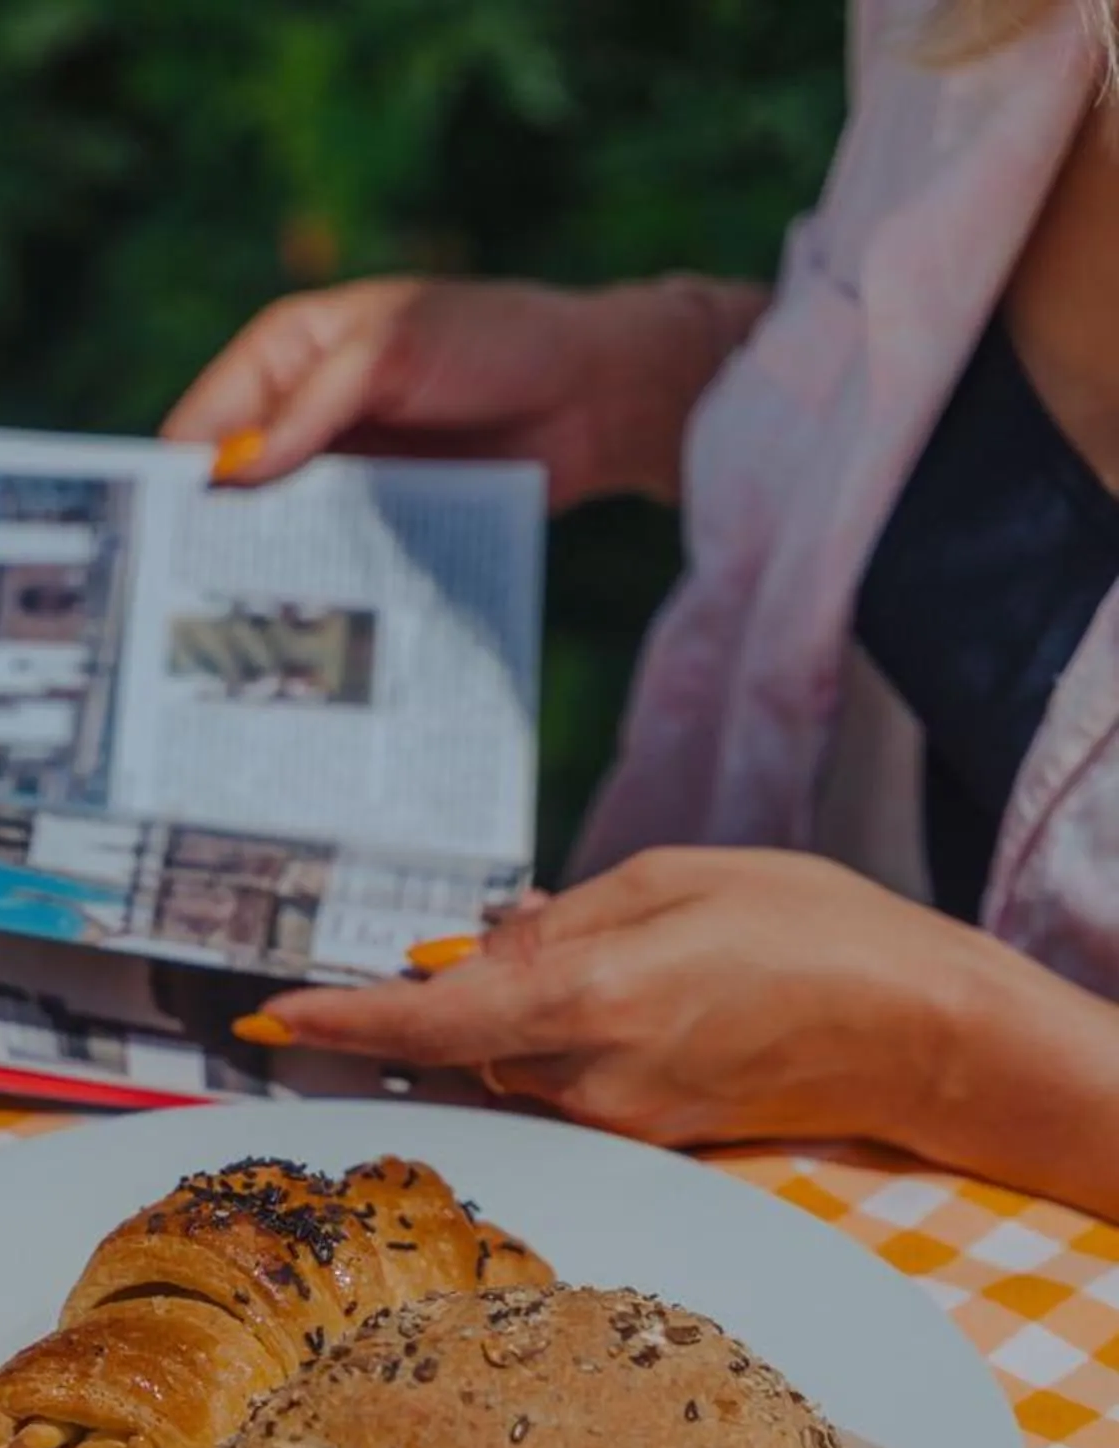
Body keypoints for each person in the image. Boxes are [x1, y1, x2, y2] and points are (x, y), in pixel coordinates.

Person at [163, 0, 1119, 1220]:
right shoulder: (978, 20)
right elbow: (1006, 530)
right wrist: (648, 376)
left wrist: (930, 1049)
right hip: (686, 1228)